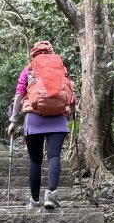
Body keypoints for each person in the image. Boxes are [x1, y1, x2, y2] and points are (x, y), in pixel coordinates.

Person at [7, 40, 75, 210]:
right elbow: (71, 96)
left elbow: (18, 95)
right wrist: (71, 116)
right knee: (54, 157)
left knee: (35, 160)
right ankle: (51, 195)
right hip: (59, 118)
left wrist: (14, 120)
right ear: (51, 52)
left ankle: (35, 200)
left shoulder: (29, 70)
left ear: (34, 54)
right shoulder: (61, 69)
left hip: (34, 117)